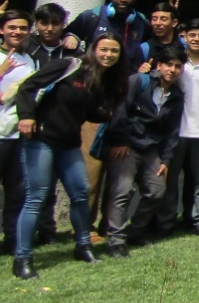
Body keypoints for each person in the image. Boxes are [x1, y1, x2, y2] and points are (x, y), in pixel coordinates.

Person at [12, 33, 129, 278]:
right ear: (94, 49)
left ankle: (83, 246)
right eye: (104, 49)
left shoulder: (102, 80)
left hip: (69, 144)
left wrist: (111, 114)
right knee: (37, 197)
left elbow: (88, 112)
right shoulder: (69, 65)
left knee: (80, 192)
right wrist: (26, 116)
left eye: (114, 51)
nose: (108, 55)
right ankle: (22, 258)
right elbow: (28, 87)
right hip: (41, 140)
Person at [104, 46, 185, 257]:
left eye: (177, 66)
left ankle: (136, 231)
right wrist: (120, 140)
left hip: (151, 147)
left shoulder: (177, 95)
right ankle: (116, 240)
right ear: (159, 66)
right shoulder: (139, 82)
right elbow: (120, 111)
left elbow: (172, 131)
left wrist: (166, 159)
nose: (172, 70)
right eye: (169, 65)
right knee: (123, 190)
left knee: (156, 190)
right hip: (127, 144)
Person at [155, 18, 199, 238]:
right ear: (185, 37)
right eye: (192, 35)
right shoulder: (176, 63)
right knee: (170, 181)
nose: (196, 39)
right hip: (175, 132)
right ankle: (166, 223)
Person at [0, 10, 35, 255]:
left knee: (17, 192)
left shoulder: (30, 60)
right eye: (12, 27)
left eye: (23, 28)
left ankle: (11, 239)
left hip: (18, 136)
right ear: (2, 29)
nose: (18, 32)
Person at [67, 0, 150, 69]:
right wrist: (72, 36)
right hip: (93, 72)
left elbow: (155, 43)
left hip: (125, 77)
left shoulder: (142, 22)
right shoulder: (93, 16)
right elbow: (64, 34)